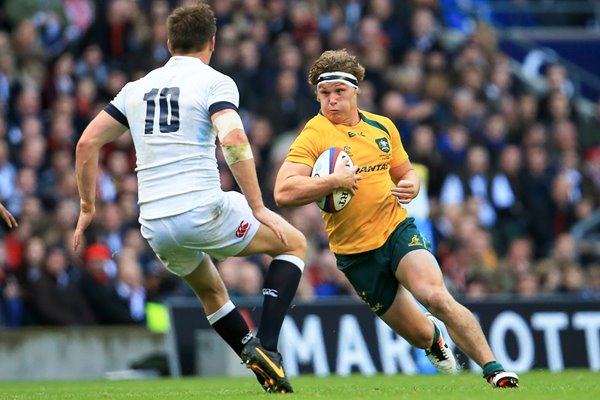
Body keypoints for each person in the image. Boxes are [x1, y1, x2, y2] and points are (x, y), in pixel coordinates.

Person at [73, 3, 306, 394]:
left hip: (155, 225)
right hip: (202, 209)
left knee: (212, 293)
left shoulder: (135, 89)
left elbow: (86, 143)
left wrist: (86, 207)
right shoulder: (215, 82)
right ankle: (267, 345)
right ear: (212, 43)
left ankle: (262, 369)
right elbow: (232, 138)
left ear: (168, 43)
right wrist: (259, 206)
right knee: (294, 244)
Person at [273, 49, 519, 389]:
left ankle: (495, 369)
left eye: (338, 92)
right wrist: (332, 181)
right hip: (355, 255)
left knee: (435, 295)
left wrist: (412, 185)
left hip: (396, 230)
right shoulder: (314, 134)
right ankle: (434, 339)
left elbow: (406, 172)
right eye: (324, 94)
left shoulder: (382, 127)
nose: (331, 101)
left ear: (356, 91)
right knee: (419, 334)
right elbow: (283, 192)